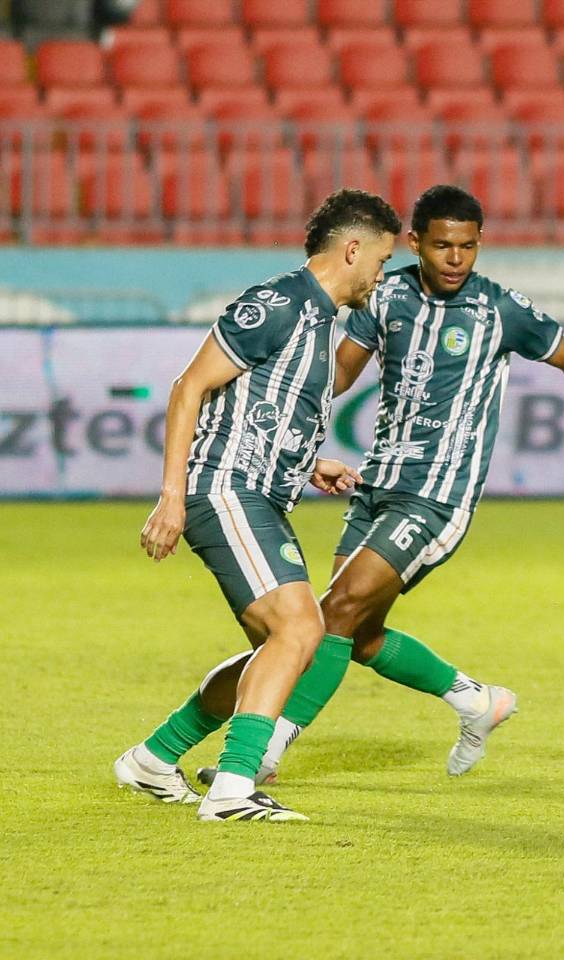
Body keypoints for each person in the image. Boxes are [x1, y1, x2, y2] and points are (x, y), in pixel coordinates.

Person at [194, 184, 564, 787]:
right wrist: (276, 408)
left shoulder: (500, 310)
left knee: (335, 613)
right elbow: (334, 378)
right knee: (354, 635)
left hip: (439, 495)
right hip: (378, 483)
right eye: (442, 246)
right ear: (415, 243)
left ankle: (264, 753)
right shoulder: (385, 296)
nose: (456, 259)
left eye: (468, 246)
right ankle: (474, 700)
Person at [114, 189, 403, 821]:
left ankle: (153, 759)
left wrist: (309, 462)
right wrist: (171, 497)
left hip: (261, 492)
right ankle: (234, 790)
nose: (380, 276)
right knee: (300, 631)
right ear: (352, 249)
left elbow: (260, 410)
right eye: (380, 261)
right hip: (224, 488)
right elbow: (189, 386)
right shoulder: (278, 305)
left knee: (280, 649)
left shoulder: (321, 321)